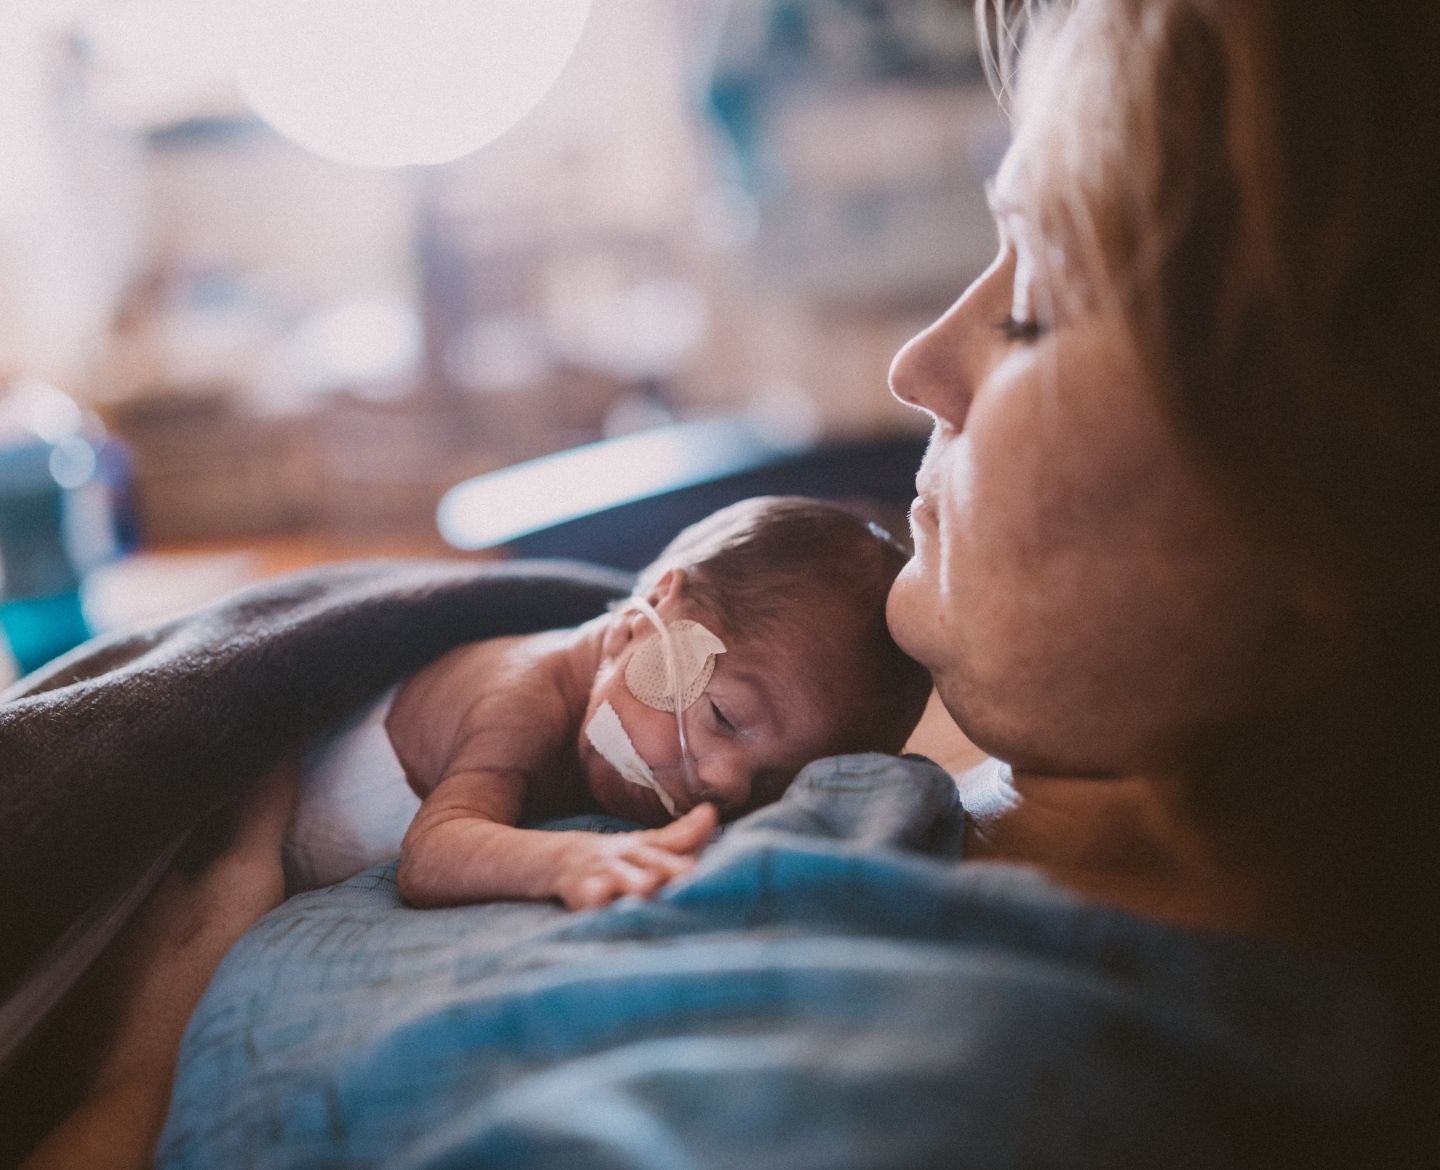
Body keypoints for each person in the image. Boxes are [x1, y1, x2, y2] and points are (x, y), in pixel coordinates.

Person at [286, 495, 932, 910]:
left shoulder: (645, 741)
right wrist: (571, 859)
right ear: (647, 614)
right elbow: (431, 856)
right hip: (276, 805)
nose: (725, 784)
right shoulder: (525, 696)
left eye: (773, 783)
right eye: (724, 718)